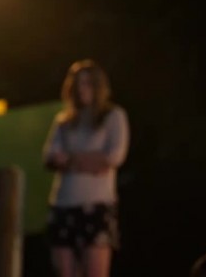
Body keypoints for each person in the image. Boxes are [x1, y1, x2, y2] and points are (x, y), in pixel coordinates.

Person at [42, 59, 130, 277]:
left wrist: (71, 160)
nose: (81, 89)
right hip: (63, 204)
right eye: (77, 84)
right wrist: (90, 161)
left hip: (96, 205)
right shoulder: (64, 122)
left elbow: (113, 157)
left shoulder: (113, 116)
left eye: (87, 83)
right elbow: (50, 157)